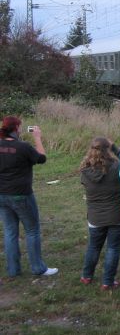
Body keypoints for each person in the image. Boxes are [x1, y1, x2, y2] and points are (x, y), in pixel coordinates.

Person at [0, 116, 58, 277]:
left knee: (10, 231)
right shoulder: (23, 147)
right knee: (32, 230)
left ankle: (13, 270)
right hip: (21, 195)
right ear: (17, 128)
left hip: (1, 195)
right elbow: (42, 158)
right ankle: (38, 268)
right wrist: (37, 138)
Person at [79, 137, 120, 290]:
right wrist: (115, 148)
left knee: (93, 246)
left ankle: (86, 276)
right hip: (117, 215)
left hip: (95, 216)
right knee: (113, 248)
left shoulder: (85, 170)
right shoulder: (117, 166)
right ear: (108, 150)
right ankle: (108, 281)